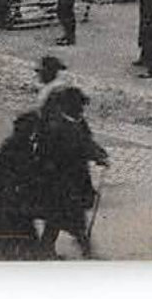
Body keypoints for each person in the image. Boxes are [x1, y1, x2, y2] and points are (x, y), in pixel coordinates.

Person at [36, 85, 108, 258]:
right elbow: (77, 147)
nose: (82, 110)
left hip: (74, 177)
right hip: (59, 179)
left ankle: (47, 249)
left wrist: (99, 153)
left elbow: (86, 141)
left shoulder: (76, 122)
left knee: (59, 217)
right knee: (69, 215)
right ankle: (85, 249)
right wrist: (95, 155)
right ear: (68, 106)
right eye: (79, 107)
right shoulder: (56, 126)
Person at [0, 111, 45, 259]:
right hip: (13, 199)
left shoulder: (20, 145)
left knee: (10, 238)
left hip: (10, 199)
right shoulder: (20, 147)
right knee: (22, 237)